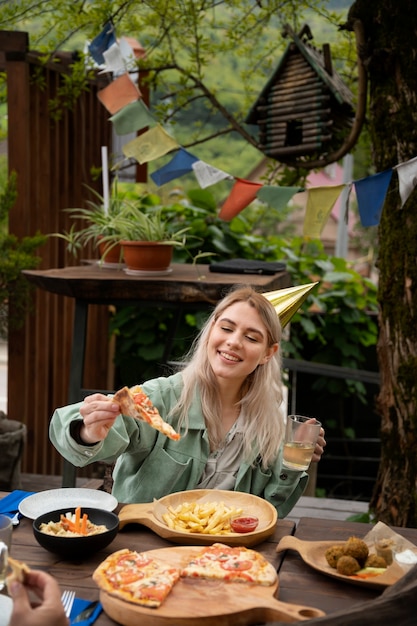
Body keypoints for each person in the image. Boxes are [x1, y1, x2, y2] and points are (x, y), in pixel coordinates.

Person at [50, 286, 326, 518]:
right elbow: (79, 428)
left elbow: (271, 510)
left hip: (224, 557)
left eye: (251, 337)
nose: (233, 342)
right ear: (210, 331)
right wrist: (88, 432)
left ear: (268, 353)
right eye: (226, 328)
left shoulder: (271, 426)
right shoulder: (163, 396)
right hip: (144, 546)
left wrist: (293, 465)